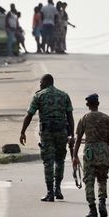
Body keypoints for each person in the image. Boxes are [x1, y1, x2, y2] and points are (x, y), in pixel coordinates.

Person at [20, 74, 75, 202]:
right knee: (60, 160)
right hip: (62, 132)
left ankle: (50, 193)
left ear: (45, 82)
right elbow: (70, 116)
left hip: (47, 133)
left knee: (48, 162)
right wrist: (72, 135)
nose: (39, 85)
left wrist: (23, 132)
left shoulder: (39, 95)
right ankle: (58, 189)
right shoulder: (64, 95)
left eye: (40, 82)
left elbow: (29, 115)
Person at [72, 93, 109, 217]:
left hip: (90, 152)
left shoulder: (84, 118)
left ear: (87, 105)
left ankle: (92, 209)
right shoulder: (106, 118)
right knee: (102, 179)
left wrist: (75, 156)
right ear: (98, 104)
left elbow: (78, 139)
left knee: (89, 180)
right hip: (103, 151)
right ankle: (102, 203)